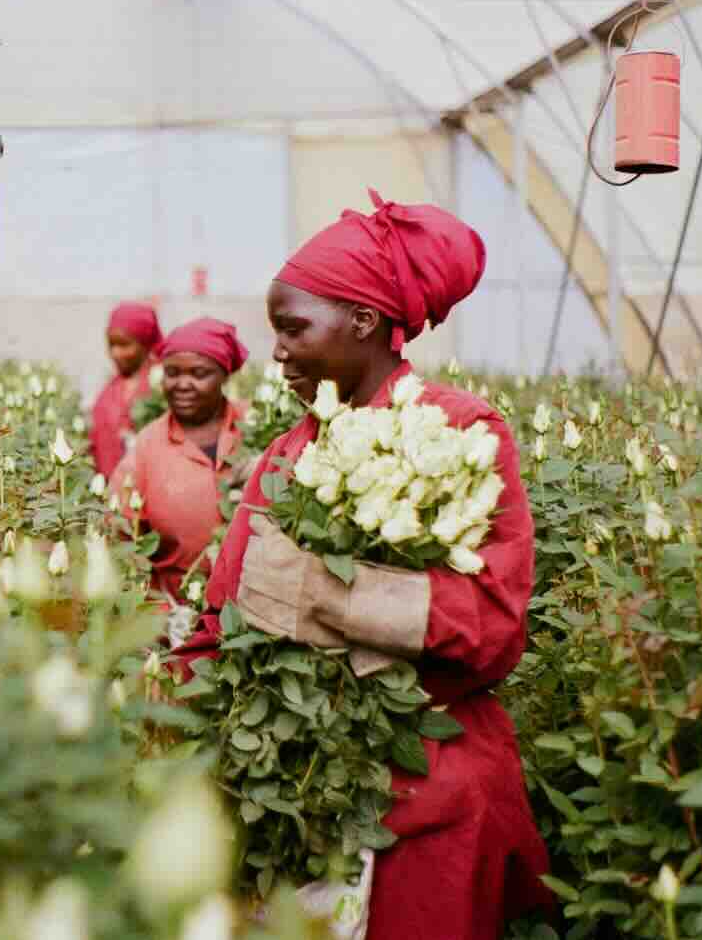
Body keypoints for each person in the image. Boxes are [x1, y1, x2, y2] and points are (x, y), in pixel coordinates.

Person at [176, 190, 553, 938]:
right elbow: (222, 622)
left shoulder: (461, 432)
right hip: (295, 801)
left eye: (293, 327)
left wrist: (332, 601)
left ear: (365, 321)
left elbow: (494, 627)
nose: (277, 350)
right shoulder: (282, 459)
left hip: (427, 799)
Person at [111, 318, 247, 600]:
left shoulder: (255, 427)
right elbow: (118, 536)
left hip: (253, 608)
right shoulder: (147, 446)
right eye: (172, 373)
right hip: (177, 613)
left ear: (224, 375)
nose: (183, 384)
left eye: (199, 373)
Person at [89, 302, 162, 478]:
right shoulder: (110, 389)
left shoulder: (161, 386)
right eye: (111, 345)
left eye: (124, 345)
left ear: (145, 344)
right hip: (110, 492)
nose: (115, 353)